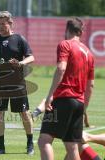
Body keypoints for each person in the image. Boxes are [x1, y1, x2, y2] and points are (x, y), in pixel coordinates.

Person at [0, 11, 35, 155]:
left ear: (10, 23)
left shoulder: (19, 39)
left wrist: (21, 63)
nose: (1, 27)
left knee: (24, 113)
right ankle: (1, 147)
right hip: (0, 82)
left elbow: (31, 57)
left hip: (17, 81)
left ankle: (30, 144)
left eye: (3, 23)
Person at [38, 17, 95, 160]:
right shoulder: (89, 53)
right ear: (81, 32)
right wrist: (84, 108)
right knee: (72, 146)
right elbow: (90, 85)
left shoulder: (65, 44)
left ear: (67, 29)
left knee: (44, 140)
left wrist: (50, 95)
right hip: (79, 103)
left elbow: (61, 68)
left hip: (63, 98)